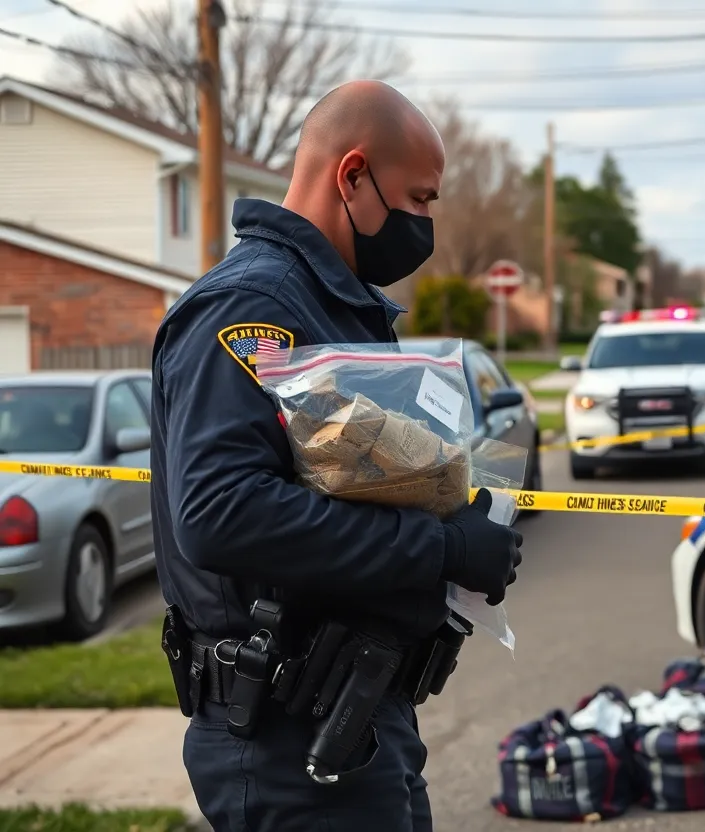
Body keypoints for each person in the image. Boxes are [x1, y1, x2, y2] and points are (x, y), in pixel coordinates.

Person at [149, 81, 523, 832]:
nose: (425, 221)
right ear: (352, 175)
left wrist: (454, 506)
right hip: (289, 737)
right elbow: (222, 513)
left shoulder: (326, 303)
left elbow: (342, 481)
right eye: (419, 199)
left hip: (351, 720)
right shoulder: (255, 309)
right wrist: (439, 547)